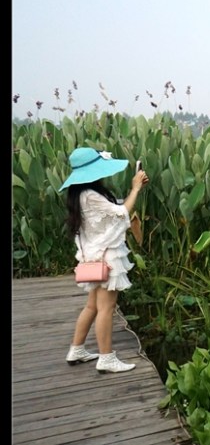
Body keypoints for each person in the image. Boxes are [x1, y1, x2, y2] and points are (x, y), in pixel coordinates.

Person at [59, 147, 149, 373]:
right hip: (107, 256)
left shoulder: (81, 194)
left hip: (94, 256)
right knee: (106, 308)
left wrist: (133, 191)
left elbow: (113, 209)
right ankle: (106, 357)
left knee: (92, 306)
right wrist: (135, 188)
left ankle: (77, 349)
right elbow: (122, 213)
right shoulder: (90, 195)